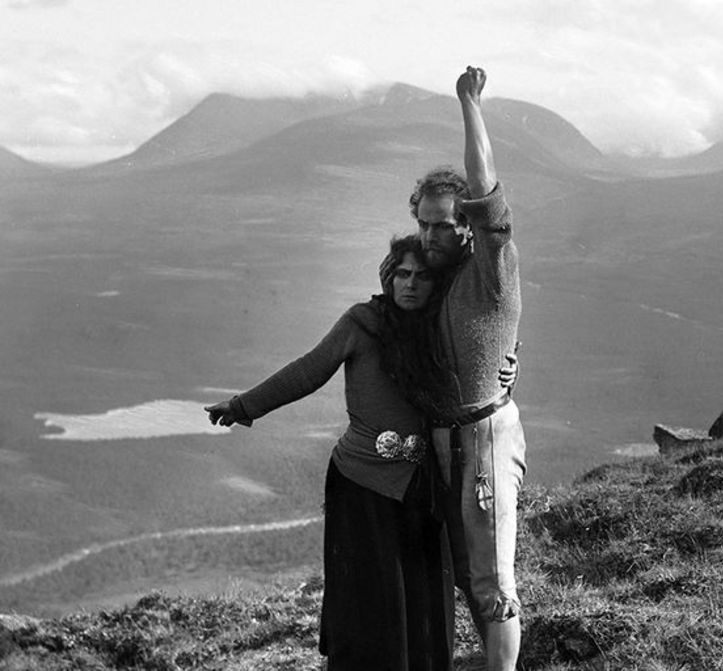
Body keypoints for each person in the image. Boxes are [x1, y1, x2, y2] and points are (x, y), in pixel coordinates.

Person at [204, 235, 517, 671]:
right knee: (370, 601)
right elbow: (309, 370)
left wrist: (507, 367)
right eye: (402, 274)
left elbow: (483, 362)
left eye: (422, 276)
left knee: (422, 600)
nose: (410, 285)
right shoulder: (362, 322)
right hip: (361, 486)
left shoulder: (442, 328)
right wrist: (242, 406)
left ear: (436, 284)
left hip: (422, 490)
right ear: (388, 276)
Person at [411, 66, 527, 671]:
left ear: (468, 225)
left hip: (483, 436)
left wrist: (469, 104)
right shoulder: (432, 282)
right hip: (443, 442)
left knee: (491, 582)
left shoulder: (491, 265)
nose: (432, 233)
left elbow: (485, 188)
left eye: (445, 223)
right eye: (424, 222)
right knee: (464, 580)